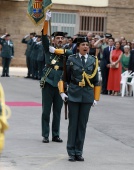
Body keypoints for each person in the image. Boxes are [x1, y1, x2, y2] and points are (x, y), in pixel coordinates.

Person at [58, 37, 100, 162]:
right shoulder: (71, 59)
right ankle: (71, 151)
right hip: (74, 94)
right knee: (73, 125)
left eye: (87, 44)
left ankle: (78, 152)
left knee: (82, 125)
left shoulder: (93, 60)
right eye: (83, 44)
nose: (86, 46)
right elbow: (64, 77)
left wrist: (96, 98)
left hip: (87, 96)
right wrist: (62, 92)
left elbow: (96, 81)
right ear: (78, 47)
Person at [41, 11, 72, 143]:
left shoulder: (67, 51)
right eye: (57, 38)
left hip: (61, 84)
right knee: (46, 111)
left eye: (61, 38)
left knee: (57, 111)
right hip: (48, 81)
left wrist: (58, 51)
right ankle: (45, 135)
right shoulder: (48, 48)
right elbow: (43, 37)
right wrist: (46, 21)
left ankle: (55, 134)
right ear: (53, 40)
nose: (59, 40)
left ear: (64, 40)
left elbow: (70, 53)